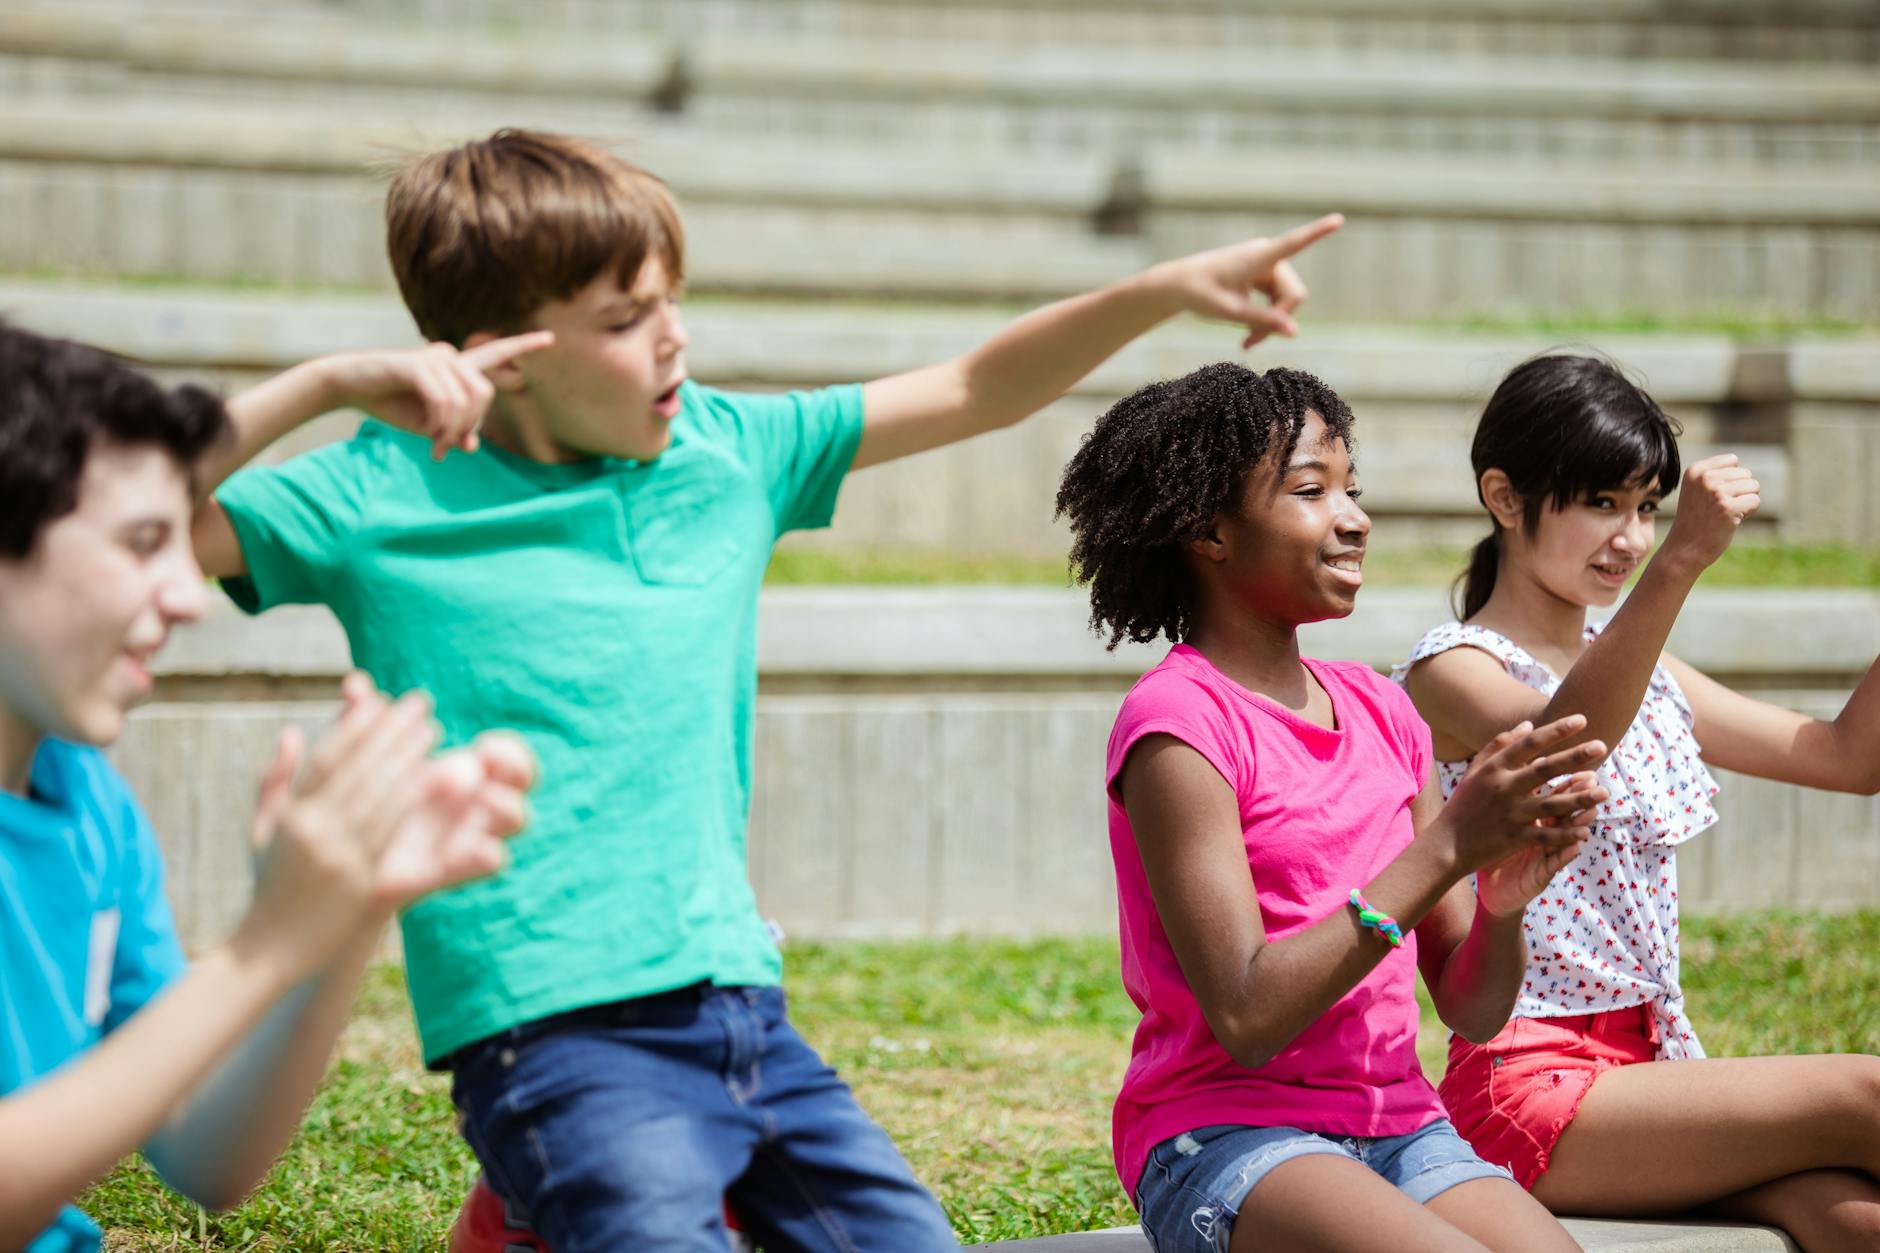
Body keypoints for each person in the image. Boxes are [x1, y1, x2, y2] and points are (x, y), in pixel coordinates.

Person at [183, 127, 1349, 1250]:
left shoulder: (724, 451)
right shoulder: (377, 492)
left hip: (739, 1008)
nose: (673, 340)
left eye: (671, 300)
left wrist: (1157, 290)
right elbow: (131, 524)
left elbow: (972, 387)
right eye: (625, 319)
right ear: (503, 351)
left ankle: (519, 1215)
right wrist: (325, 383)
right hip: (547, 1029)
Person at [1054, 361, 1612, 1253]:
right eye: (1312, 490)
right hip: (1226, 1133)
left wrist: (1501, 903)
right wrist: (1444, 852)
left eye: (1353, 489)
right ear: (1209, 530)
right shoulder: (1179, 724)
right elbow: (1245, 1014)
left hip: (1400, 1124)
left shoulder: (1386, 710)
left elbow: (1471, 1008)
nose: (1353, 518)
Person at [0, 322, 533, 1252]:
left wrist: (343, 912)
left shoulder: (91, 809)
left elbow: (207, 1156)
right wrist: (265, 946)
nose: (188, 595)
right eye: (142, 542)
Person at [1398, 353, 1880, 1251]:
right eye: (1601, 503)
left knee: (1852, 1218)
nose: (1630, 537)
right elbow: (1567, 732)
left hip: (1650, 1069)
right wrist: (1684, 557)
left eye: (1648, 507)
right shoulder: (1450, 669)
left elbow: (1845, 757)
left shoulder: (1648, 673)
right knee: (1870, 1095)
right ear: (1504, 496)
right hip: (1524, 1083)